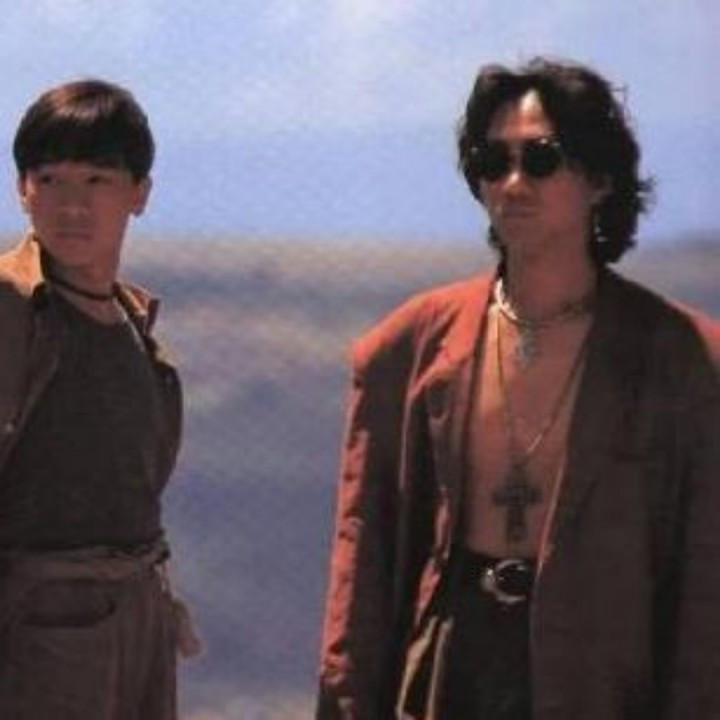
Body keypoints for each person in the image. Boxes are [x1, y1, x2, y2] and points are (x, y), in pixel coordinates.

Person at [316, 57, 720, 719]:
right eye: (492, 161)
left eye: (540, 159)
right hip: (450, 673)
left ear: (599, 179)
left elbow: (706, 580)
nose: (512, 183)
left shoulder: (682, 360)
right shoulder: (409, 347)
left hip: (604, 679)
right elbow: (362, 554)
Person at [0, 79, 195, 719]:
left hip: (134, 625)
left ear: (139, 192)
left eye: (96, 180)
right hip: (36, 635)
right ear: (22, 189)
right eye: (50, 180)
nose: (72, 205)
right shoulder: (13, 310)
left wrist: (156, 606)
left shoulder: (130, 321)